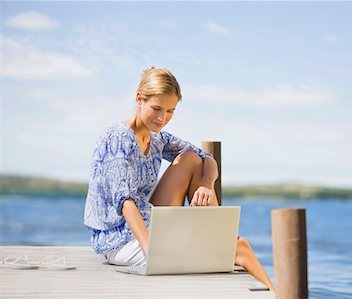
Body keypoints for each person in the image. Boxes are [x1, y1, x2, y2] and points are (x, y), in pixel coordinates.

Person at [84, 66, 274, 291]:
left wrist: (206, 185)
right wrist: (152, 251)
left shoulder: (157, 138)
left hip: (150, 222)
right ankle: (280, 293)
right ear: (139, 99)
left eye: (170, 111)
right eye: (156, 108)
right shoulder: (117, 138)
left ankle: (216, 238)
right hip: (119, 239)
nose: (162, 118)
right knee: (239, 248)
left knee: (192, 159)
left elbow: (207, 157)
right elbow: (126, 202)